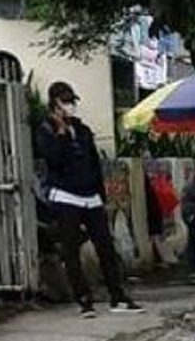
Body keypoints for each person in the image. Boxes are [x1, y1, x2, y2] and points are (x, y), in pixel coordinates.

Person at [34, 81, 141, 318]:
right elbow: (54, 159)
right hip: (65, 196)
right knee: (72, 251)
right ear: (54, 104)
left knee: (105, 247)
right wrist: (61, 134)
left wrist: (100, 193)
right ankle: (84, 301)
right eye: (65, 102)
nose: (70, 106)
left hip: (90, 195)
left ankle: (118, 296)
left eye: (72, 101)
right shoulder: (46, 130)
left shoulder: (82, 129)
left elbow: (93, 161)